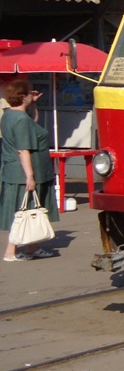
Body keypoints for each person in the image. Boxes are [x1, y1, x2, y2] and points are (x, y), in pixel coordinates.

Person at [2, 80, 58, 262]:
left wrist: (33, 104)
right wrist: (30, 176)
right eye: (28, 94)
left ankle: (31, 246)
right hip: (23, 171)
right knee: (22, 211)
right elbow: (23, 149)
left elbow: (33, 124)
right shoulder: (20, 120)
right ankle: (11, 251)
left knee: (27, 209)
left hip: (15, 169)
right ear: (23, 96)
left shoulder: (10, 115)